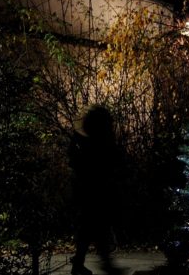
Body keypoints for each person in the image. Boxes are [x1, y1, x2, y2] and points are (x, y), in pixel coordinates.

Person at [68, 105, 125, 275]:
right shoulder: (99, 142)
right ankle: (102, 264)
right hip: (96, 191)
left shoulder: (82, 140)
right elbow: (111, 163)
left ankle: (81, 264)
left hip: (87, 191)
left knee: (89, 229)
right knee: (97, 227)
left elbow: (75, 162)